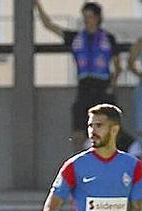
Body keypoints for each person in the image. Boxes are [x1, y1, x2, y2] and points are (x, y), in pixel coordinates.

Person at [35, 1, 120, 151]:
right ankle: (79, 165)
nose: (87, 20)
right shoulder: (76, 37)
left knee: (106, 132)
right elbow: (48, 25)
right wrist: (37, 5)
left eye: (90, 16)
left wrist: (111, 86)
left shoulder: (109, 38)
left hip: (102, 86)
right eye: (85, 17)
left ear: (98, 18)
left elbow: (118, 66)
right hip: (84, 86)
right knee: (79, 129)